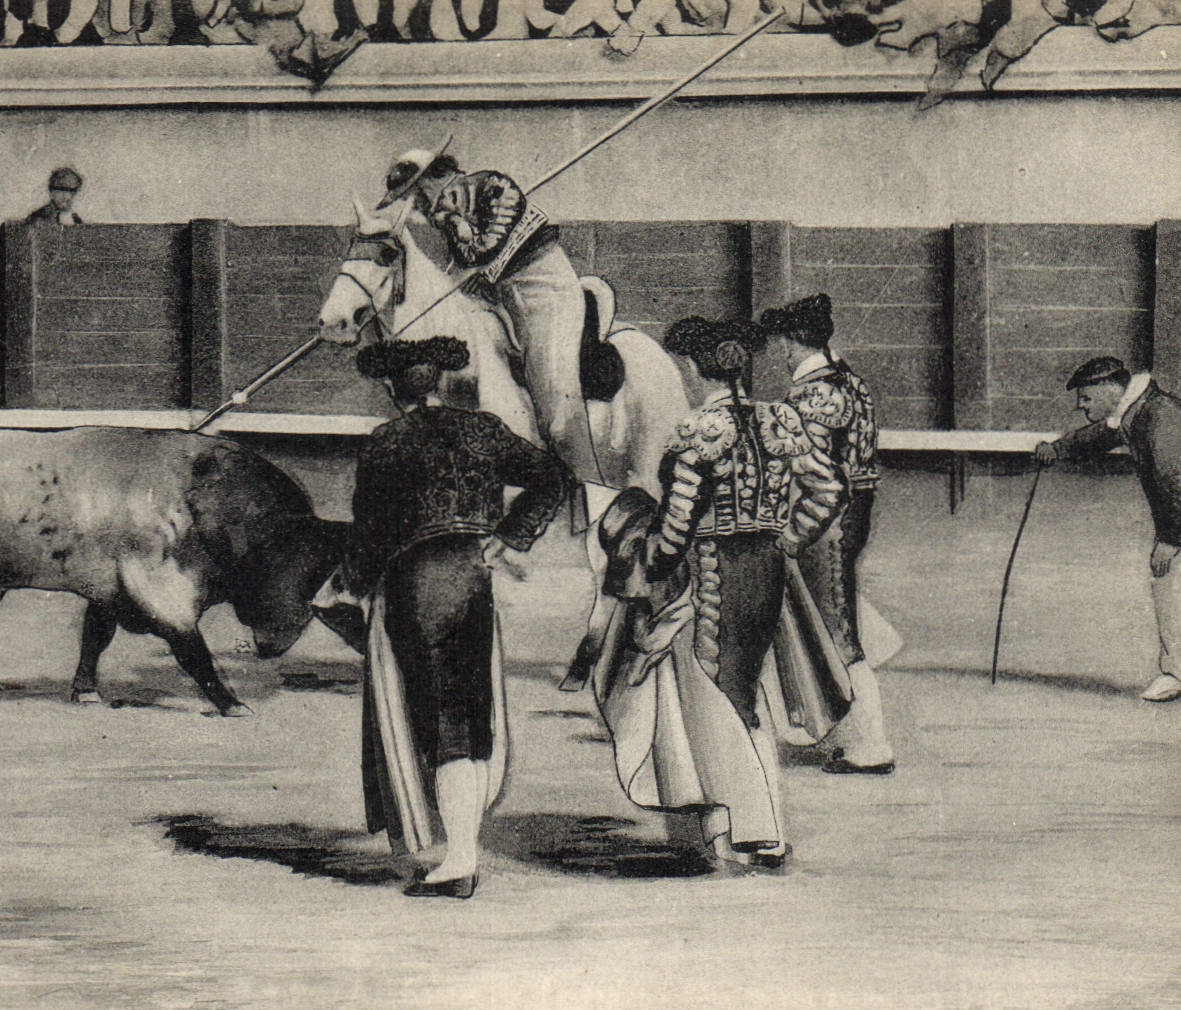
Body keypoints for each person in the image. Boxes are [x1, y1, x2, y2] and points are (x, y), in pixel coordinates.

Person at [593, 317, 842, 869]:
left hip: (714, 575)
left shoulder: (699, 430)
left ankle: (744, 830)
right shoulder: (781, 418)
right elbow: (827, 490)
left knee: (717, 695)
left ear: (691, 367)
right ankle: (764, 827)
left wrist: (646, 563)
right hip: (768, 569)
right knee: (747, 694)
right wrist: (788, 539)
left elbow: (676, 528)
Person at [342, 335, 569, 898]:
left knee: (441, 719)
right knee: (470, 712)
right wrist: (509, 538)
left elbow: (369, 535)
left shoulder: (386, 443)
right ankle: (463, 850)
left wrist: (349, 588)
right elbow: (552, 476)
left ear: (394, 391)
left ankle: (460, 860)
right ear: (441, 381)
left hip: (418, 582)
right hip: (475, 576)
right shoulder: (483, 429)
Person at [378, 135, 602, 489]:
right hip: (504, 300)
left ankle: (581, 485)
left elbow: (485, 250)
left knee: (557, 411)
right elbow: (471, 265)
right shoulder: (447, 217)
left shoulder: (491, 186)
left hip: (545, 292)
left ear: (429, 181)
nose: (415, 206)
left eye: (413, 195)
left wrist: (464, 238)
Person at [1033, 357, 1181, 702]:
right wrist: (1058, 449)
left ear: (1109, 389)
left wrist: (1170, 540)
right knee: (1174, 576)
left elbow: (1177, 482)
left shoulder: (1158, 418)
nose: (1080, 406)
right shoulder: (1137, 408)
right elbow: (1102, 435)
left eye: (1086, 398)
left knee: (1172, 573)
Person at [761, 292, 895, 774]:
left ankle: (871, 745)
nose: (780, 351)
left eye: (782, 341)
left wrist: (794, 533)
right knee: (837, 622)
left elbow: (821, 481)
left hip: (827, 521)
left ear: (793, 343)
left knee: (837, 632)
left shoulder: (812, 393)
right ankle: (845, 732)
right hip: (852, 511)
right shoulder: (850, 380)